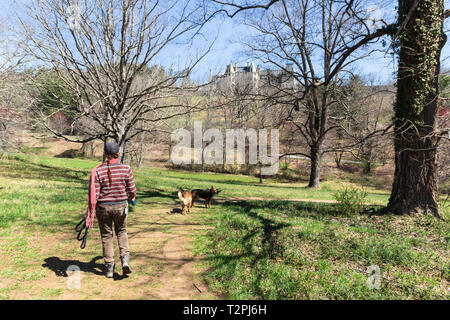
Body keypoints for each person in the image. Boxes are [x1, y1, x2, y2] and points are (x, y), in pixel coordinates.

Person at [85, 142, 137, 278]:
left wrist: (90, 213)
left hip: (103, 208)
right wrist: (132, 198)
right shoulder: (126, 169)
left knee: (106, 236)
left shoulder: (98, 170)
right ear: (118, 153)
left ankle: (109, 268)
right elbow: (132, 189)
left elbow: (94, 194)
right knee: (122, 232)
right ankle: (125, 261)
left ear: (105, 154)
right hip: (121, 207)